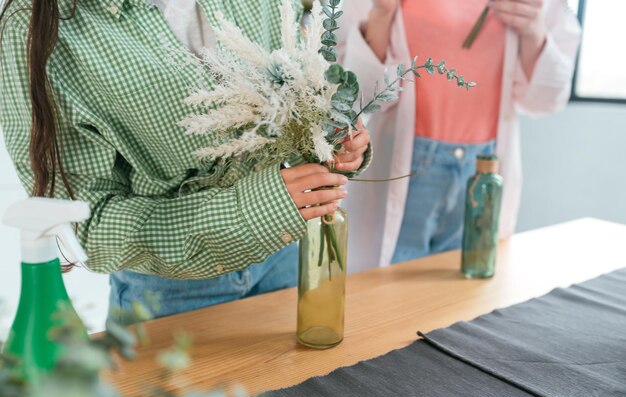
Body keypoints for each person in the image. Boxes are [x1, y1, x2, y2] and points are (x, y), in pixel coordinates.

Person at [0, 0, 370, 321]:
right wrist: (258, 209)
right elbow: (89, 224)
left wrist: (330, 134)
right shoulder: (36, 28)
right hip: (171, 295)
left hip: (288, 254)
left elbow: (300, 78)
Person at [338, 0, 580, 272]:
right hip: (405, 168)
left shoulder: (546, 6)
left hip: (484, 170)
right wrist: (381, 15)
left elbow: (547, 100)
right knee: (386, 296)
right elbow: (355, 98)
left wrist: (534, 30)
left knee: (467, 298)